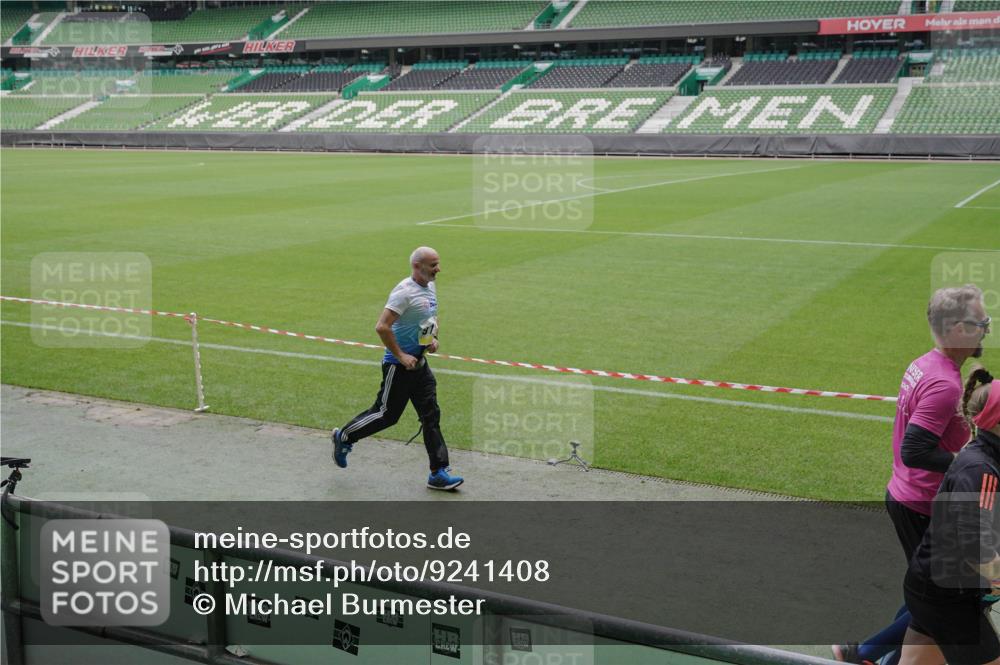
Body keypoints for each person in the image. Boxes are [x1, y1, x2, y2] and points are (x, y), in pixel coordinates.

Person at [834, 285, 991, 665]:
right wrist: (965, 462)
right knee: (942, 598)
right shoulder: (945, 384)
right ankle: (862, 653)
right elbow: (915, 449)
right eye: (981, 323)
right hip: (922, 503)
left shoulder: (926, 363)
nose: (987, 328)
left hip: (908, 496)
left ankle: (869, 655)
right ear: (957, 329)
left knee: (931, 593)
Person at [331, 247, 464, 491]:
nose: (438, 269)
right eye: (433, 265)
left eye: (438, 263)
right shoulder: (403, 293)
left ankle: (438, 472)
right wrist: (401, 355)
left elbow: (431, 317)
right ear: (417, 266)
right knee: (386, 415)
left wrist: (432, 338)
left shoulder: (430, 287)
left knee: (431, 416)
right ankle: (345, 436)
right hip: (398, 366)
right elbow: (382, 327)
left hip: (420, 364)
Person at [898, 365, 1000, 665]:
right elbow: (976, 549)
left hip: (932, 587)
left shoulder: (986, 457)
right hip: (947, 596)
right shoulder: (980, 470)